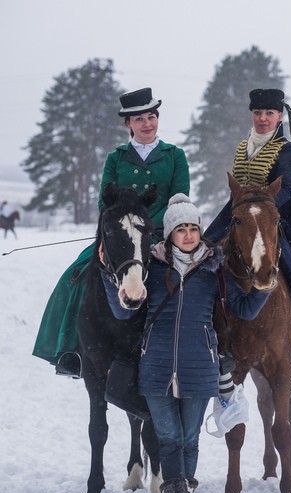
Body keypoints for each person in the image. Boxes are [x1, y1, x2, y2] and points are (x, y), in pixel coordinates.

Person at [102, 194, 271, 493]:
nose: (190, 235)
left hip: (199, 367)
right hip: (156, 368)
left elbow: (245, 309)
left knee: (189, 439)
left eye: (194, 227)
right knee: (169, 437)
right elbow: (123, 311)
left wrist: (264, 287)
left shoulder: (214, 270)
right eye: (181, 229)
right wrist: (110, 277)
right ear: (169, 234)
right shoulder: (151, 269)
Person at [32, 88, 190, 377]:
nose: (147, 124)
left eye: (151, 117)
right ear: (127, 124)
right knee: (75, 277)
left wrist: (157, 235)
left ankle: (199, 349)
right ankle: (72, 350)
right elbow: (104, 202)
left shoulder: (175, 156)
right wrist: (117, 232)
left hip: (160, 237)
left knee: (194, 282)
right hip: (119, 237)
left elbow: (179, 200)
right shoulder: (116, 158)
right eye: (139, 119)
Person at [204, 88, 291, 401]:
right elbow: (236, 196)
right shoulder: (242, 148)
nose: (263, 119)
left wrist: (260, 212)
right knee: (203, 257)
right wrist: (211, 235)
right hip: (243, 216)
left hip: (281, 221)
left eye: (269, 114)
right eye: (258, 113)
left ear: (279, 117)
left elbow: (286, 190)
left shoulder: (287, 152)